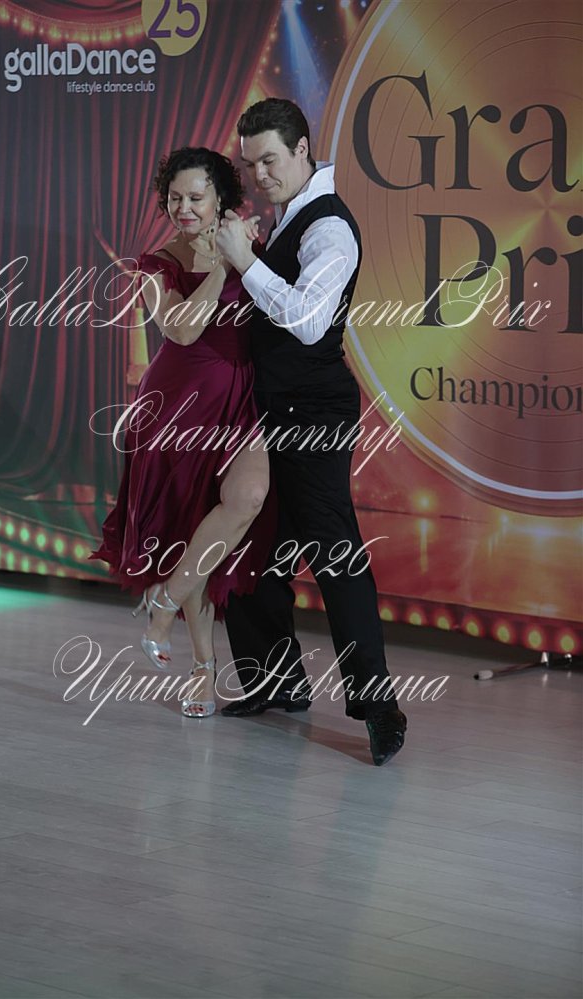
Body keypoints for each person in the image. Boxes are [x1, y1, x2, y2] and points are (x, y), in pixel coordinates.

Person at [216, 98, 407, 765]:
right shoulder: (288, 215)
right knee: (251, 545)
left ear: (302, 150)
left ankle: (380, 708)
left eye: (270, 159)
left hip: (313, 415)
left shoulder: (329, 227)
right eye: (250, 164)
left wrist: (245, 261)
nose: (259, 175)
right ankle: (274, 681)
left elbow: (306, 320)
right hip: (268, 409)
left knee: (335, 555)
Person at [90, 147, 274, 719]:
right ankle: (202, 669)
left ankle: (164, 600)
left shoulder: (254, 241)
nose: (184, 208)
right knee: (189, 529)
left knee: (248, 496)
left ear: (221, 197)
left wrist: (242, 252)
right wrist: (222, 265)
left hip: (242, 400)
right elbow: (182, 331)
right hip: (176, 408)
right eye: (175, 198)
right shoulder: (157, 263)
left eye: (196, 197)